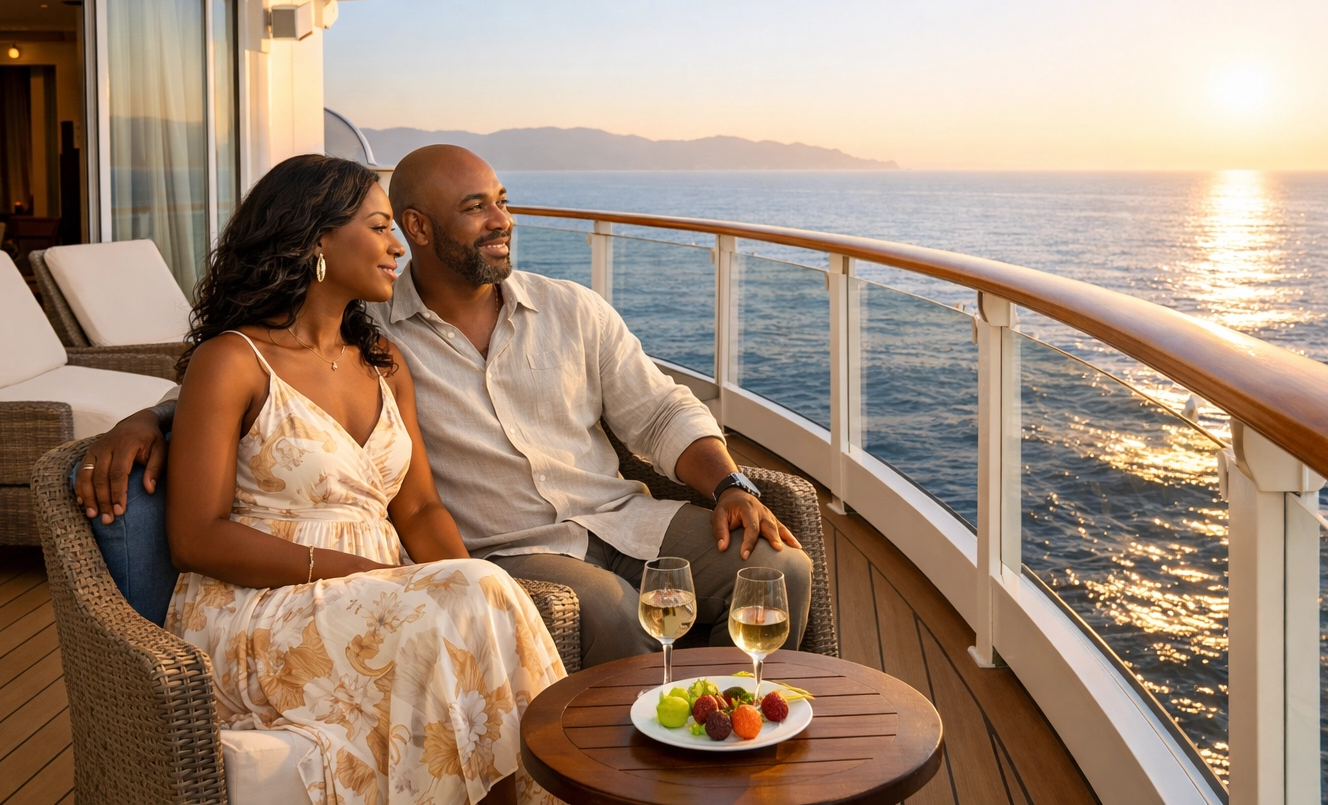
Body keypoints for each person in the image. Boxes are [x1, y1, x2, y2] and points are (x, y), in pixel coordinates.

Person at [79, 146, 813, 669]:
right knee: (610, 607)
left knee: (782, 566)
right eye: (475, 207)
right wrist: (145, 419)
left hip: (621, 518)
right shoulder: (368, 326)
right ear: (419, 227)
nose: (502, 220)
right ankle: (631, 767)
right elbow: (261, 388)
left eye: (502, 201)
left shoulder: (571, 310)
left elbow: (659, 412)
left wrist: (730, 484)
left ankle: (726, 727)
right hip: (509, 546)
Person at [93, 154, 564, 805]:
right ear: (315, 238)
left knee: (481, 597)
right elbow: (196, 538)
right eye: (379, 227)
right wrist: (367, 574)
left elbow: (420, 510)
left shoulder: (383, 361)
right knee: (472, 604)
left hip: (381, 596)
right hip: (262, 610)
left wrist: (454, 585)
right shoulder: (233, 361)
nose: (398, 246)